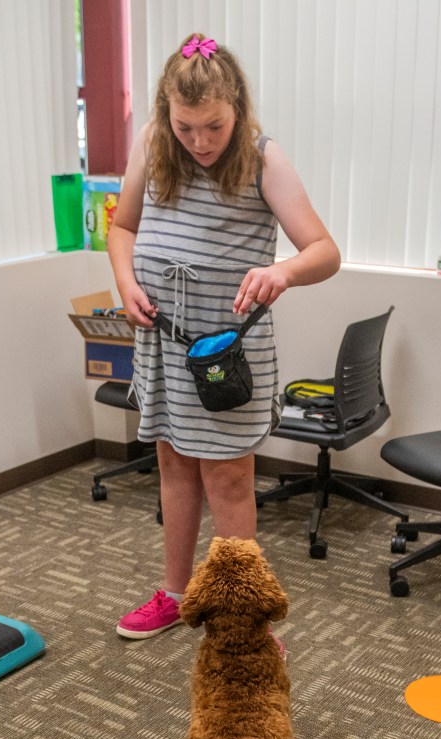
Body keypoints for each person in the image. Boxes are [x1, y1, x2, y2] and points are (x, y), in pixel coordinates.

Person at [108, 32, 341, 641]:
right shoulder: (153, 145)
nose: (201, 142)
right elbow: (122, 228)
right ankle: (175, 594)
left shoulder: (264, 158)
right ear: (167, 115)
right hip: (164, 341)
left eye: (213, 126)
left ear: (236, 106)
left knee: (228, 478)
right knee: (173, 465)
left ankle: (243, 615)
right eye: (186, 128)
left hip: (225, 354)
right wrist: (125, 280)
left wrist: (281, 270)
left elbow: (325, 252)